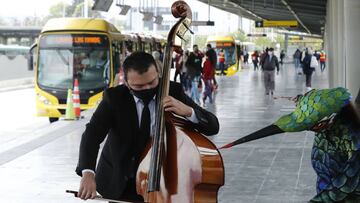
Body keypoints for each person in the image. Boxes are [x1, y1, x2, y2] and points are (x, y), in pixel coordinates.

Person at [75, 52, 219, 202]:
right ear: (127, 83)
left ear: (158, 73)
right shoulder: (114, 98)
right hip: (120, 181)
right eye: (139, 86)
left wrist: (188, 111)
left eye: (152, 82)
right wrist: (88, 173)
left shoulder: (172, 91)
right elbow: (91, 135)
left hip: (161, 181)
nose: (147, 88)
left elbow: (213, 126)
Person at [220, 87, 360, 203]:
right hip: (325, 184)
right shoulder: (324, 124)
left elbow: (348, 183)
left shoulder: (351, 133)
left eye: (316, 126)